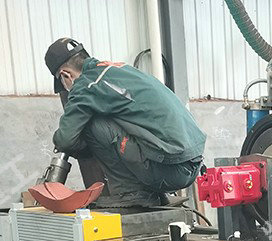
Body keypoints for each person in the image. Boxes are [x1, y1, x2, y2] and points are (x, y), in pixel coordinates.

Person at [44, 38, 206, 207]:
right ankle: (148, 192)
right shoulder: (119, 70)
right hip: (191, 164)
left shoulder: (87, 85)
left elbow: (65, 139)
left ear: (65, 75)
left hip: (168, 170)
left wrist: (81, 148)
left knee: (90, 125)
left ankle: (129, 192)